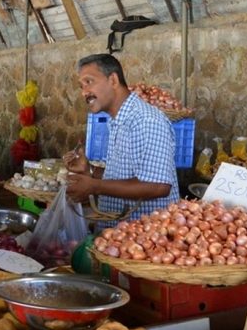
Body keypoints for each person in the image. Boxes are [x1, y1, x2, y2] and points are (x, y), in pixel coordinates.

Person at [64, 54, 180, 223]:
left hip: (142, 237)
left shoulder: (145, 120)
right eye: (81, 86)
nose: (84, 93)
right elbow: (126, 177)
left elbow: (158, 186)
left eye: (89, 82)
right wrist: (90, 170)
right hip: (118, 236)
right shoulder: (117, 120)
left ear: (113, 80)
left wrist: (94, 186)